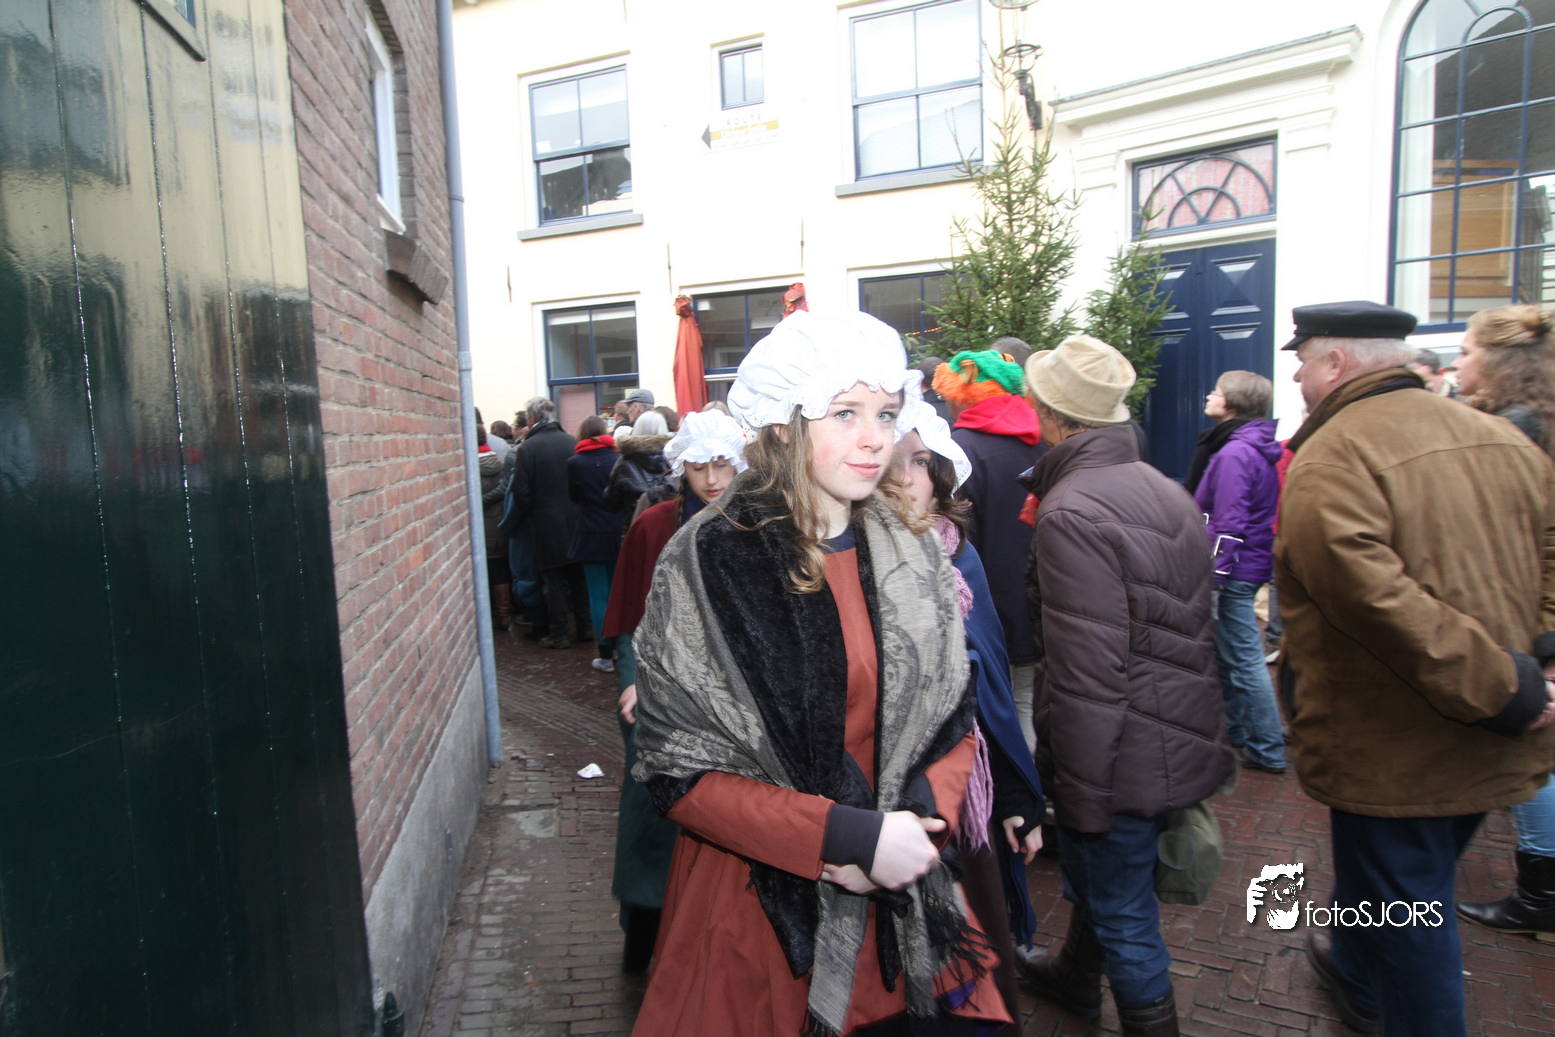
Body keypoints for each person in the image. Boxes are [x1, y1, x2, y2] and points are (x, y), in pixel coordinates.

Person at [630, 310, 1008, 1037]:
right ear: (781, 425)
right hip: (762, 905)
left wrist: (915, 827)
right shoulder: (709, 560)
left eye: (886, 413)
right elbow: (679, 769)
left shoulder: (912, 550)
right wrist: (843, 838)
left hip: (905, 879)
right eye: (845, 413)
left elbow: (952, 718)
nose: (875, 437)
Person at [1275, 300, 1555, 1037]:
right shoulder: (1503, 438)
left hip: (1394, 746)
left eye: (1301, 363)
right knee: (1391, 884)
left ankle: (1379, 986)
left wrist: (1506, 683)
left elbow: (1373, 599)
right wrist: (1539, 654)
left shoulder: (1334, 456)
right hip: (1485, 731)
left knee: (1410, 912)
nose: (1296, 379)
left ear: (1335, 362)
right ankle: (1354, 971)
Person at [1017, 335, 1231, 1037]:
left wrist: (1080, 791)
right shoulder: (1162, 486)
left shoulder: (1070, 509)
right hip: (1170, 730)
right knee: (1109, 887)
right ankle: (1076, 977)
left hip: (1120, 751)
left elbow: (1088, 672)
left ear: (1052, 415)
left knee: (1124, 910)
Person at [889, 399, 1045, 1035]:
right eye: (890, 464)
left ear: (939, 474)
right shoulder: (843, 562)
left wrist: (1013, 792)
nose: (905, 479)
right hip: (889, 805)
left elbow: (991, 690)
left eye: (918, 462)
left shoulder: (960, 556)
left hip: (963, 797)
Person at [607, 408, 748, 973]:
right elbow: (629, 619)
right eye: (698, 466)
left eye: (722, 465)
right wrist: (633, 680)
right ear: (681, 467)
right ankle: (642, 932)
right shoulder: (653, 527)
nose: (712, 479)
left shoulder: (756, 527)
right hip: (658, 692)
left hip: (730, 698)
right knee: (651, 808)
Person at [1449, 305, 1555, 942]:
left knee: (1533, 759)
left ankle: (1541, 895)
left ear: (1498, 361)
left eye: (1465, 350)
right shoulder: (1535, 424)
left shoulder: (1515, 435)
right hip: (1533, 627)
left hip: (1520, 631)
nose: (1457, 362)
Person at [932, 346, 1046, 753]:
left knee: (996, 709)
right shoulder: (1044, 439)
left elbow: (956, 535)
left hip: (985, 604)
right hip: (1041, 594)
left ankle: (1016, 785)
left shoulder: (959, 450)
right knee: (1030, 702)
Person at [1189, 371, 1286, 775]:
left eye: (1216, 391)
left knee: (1245, 658)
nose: (1209, 396)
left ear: (1231, 402)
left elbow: (1228, 522)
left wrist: (1216, 574)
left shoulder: (1234, 454)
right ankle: (1239, 733)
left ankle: (1267, 746)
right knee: (1233, 656)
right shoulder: (1247, 447)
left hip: (1234, 571)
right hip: (1244, 566)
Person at [511, 396, 592, 650]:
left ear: (531, 418)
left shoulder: (527, 449)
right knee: (579, 579)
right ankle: (586, 628)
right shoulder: (571, 442)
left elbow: (520, 492)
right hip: (576, 520)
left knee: (553, 581)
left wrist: (534, 513)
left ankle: (559, 633)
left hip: (545, 524)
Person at [566, 415, 622, 672]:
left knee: (598, 595)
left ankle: (605, 654)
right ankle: (621, 646)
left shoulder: (574, 463)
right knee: (617, 593)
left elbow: (574, 497)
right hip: (617, 533)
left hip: (590, 533)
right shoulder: (617, 458)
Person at [604, 409, 672, 533]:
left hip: (635, 529)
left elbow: (611, 503)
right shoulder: (674, 460)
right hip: (670, 530)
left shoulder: (624, 462)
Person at [477, 425, 511, 630]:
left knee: (489, 569)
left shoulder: (471, 467)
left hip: (482, 524)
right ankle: (504, 615)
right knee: (500, 567)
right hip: (499, 521)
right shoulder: (499, 462)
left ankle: (492, 615)